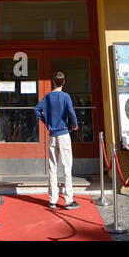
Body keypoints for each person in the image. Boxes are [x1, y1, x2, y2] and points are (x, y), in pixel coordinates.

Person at [34, 71, 79, 209]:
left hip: (52, 135)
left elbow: (36, 110)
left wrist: (46, 122)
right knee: (67, 166)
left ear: (53, 82)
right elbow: (71, 112)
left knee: (52, 167)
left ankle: (52, 199)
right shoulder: (66, 96)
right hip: (64, 134)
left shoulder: (47, 97)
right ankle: (68, 200)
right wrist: (75, 124)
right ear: (63, 82)